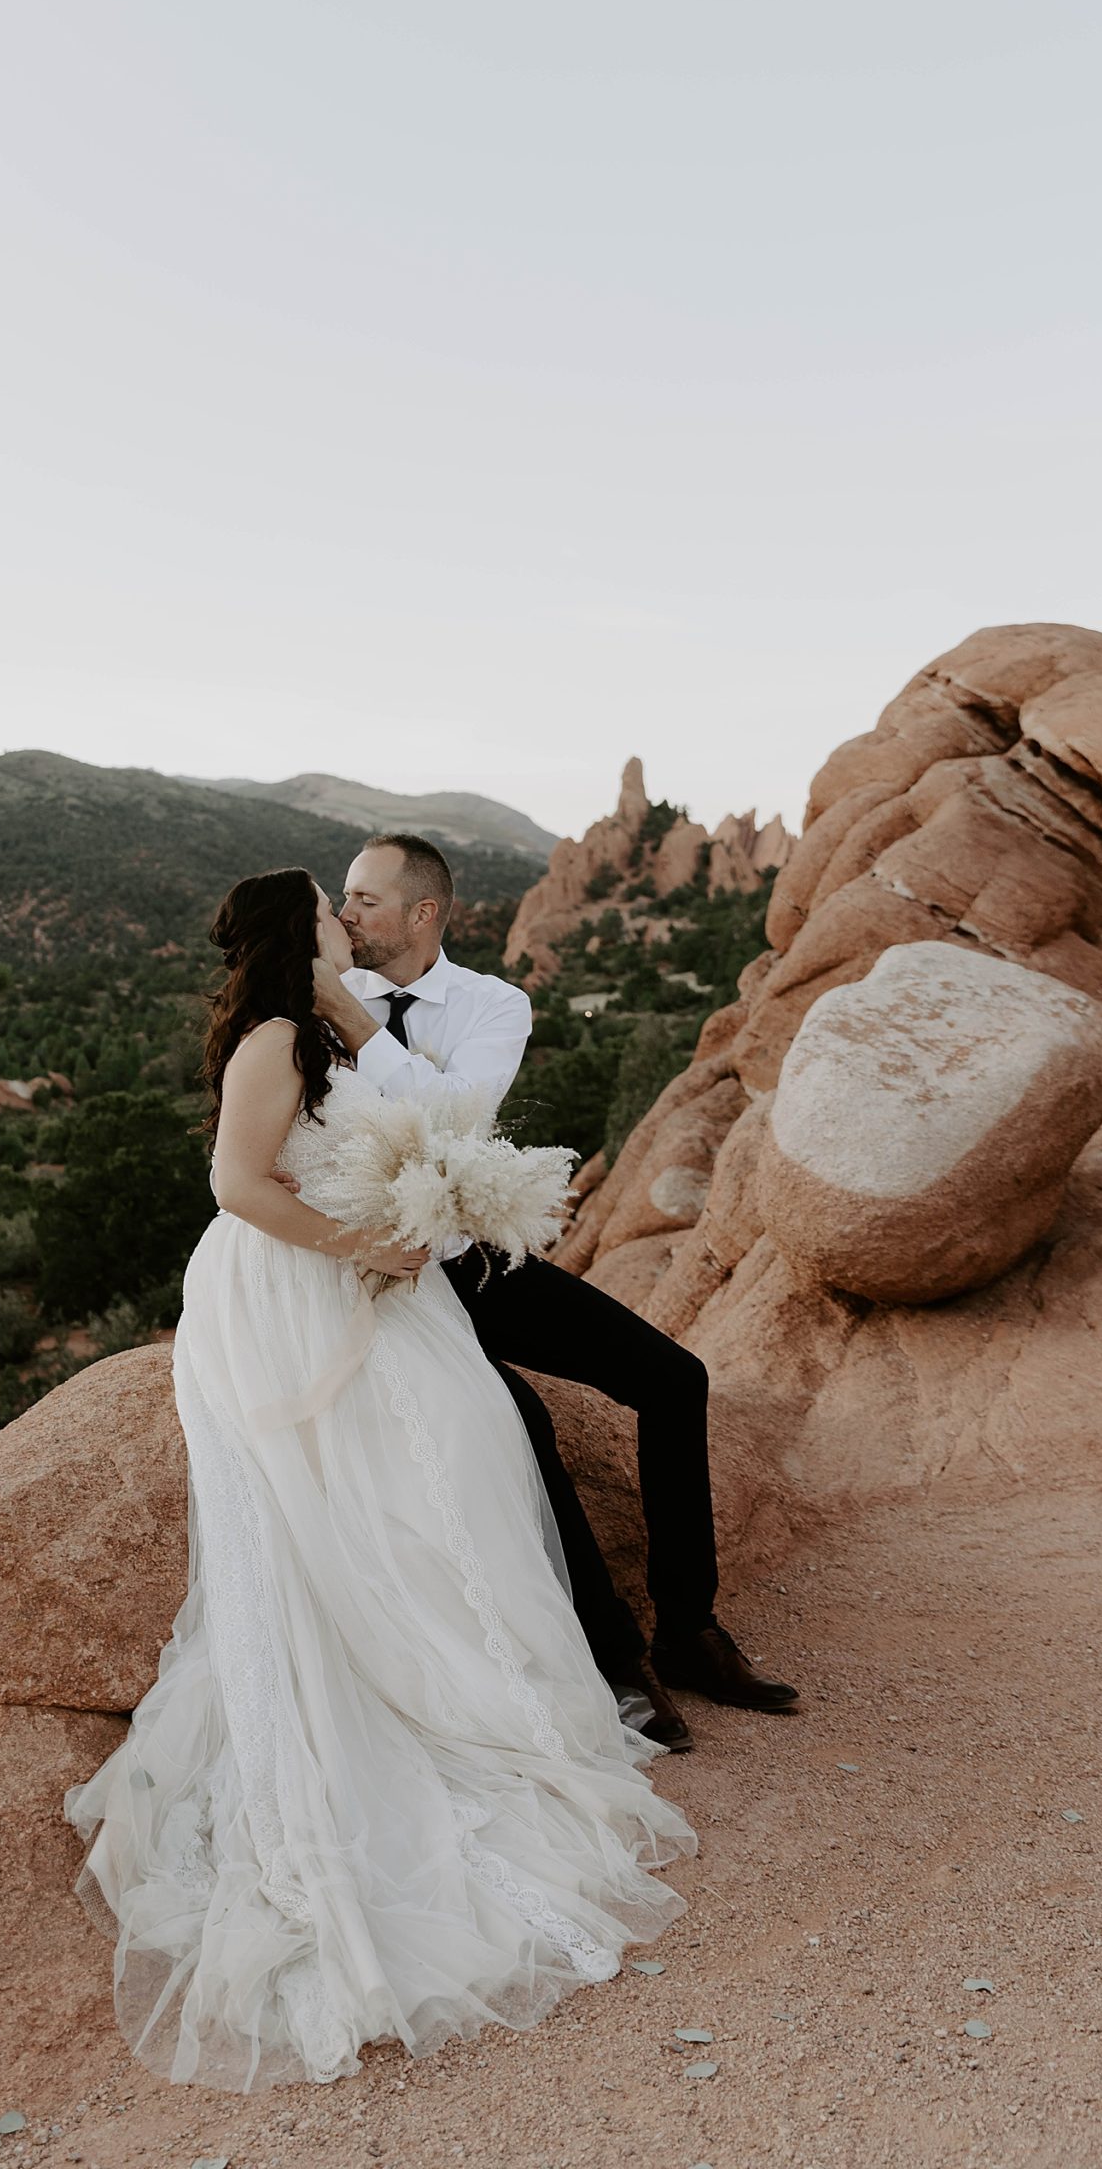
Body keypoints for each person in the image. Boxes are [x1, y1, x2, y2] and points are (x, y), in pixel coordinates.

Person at [65, 867, 696, 2091]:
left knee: (463, 1457)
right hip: (290, 1286)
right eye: (324, 908)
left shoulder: (346, 1022)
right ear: (292, 935)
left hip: (378, 1272)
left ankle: (497, 1667)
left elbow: (421, 1122)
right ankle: (402, 1689)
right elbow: (236, 1186)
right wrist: (367, 1243)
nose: (341, 920)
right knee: (364, 1489)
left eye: (354, 903)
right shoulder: (268, 1040)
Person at [307, 831, 800, 1754]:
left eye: (364, 900)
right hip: (376, 1273)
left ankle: (688, 1628)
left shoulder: (493, 1004)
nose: (345, 915)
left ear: (423, 913)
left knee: (673, 1378)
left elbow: (452, 1114)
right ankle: (614, 1664)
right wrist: (331, 1009)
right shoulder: (304, 1018)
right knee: (520, 1427)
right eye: (342, 899)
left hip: (472, 1260)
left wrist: (353, 1018)